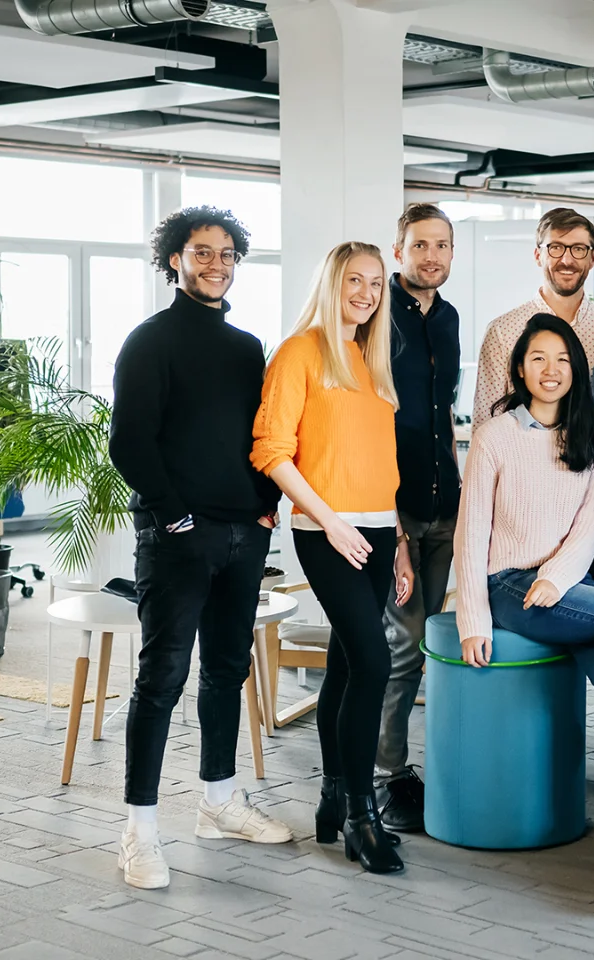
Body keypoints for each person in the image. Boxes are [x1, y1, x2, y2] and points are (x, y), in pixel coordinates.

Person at [110, 206, 292, 891]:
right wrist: (176, 517)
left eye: (226, 253)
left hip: (245, 534)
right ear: (174, 260)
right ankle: (139, 831)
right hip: (177, 537)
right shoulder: (150, 341)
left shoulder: (246, 347)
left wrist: (267, 505)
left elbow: (256, 435)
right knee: (161, 679)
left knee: (225, 671)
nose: (216, 263)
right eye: (202, 252)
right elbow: (129, 441)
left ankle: (218, 803)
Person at [454, 313, 594, 877]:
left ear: (576, 369)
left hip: (562, 585)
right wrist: (472, 618)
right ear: (520, 367)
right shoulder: (496, 435)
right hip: (507, 585)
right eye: (539, 358)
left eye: (563, 359)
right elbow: (472, 532)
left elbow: (589, 528)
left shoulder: (591, 437)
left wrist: (557, 578)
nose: (551, 370)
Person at [251, 241, 413, 876]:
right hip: (327, 533)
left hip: (376, 531)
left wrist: (397, 543)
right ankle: (359, 814)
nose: (367, 292)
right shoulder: (301, 351)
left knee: (347, 667)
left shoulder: (371, 361)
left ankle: (330, 801)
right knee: (372, 661)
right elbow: (273, 450)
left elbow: (382, 467)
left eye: (376, 282)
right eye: (355, 280)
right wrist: (328, 520)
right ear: (331, 282)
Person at [376, 203, 460, 833]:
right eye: (420, 244)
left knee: (426, 643)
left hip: (444, 505)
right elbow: (376, 424)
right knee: (403, 646)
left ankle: (409, 767)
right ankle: (387, 778)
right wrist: (396, 529)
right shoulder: (378, 316)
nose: (432, 255)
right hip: (396, 509)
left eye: (442, 245)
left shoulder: (450, 317)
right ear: (398, 249)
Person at [471, 207, 594, 427]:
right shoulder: (502, 331)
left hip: (591, 459)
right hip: (519, 459)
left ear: (593, 258)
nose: (566, 259)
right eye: (556, 248)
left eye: (578, 249)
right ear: (537, 256)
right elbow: (484, 422)